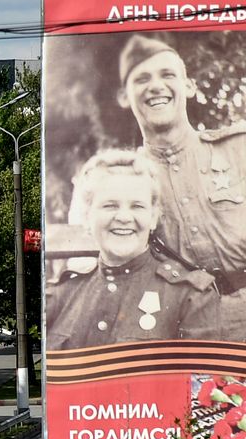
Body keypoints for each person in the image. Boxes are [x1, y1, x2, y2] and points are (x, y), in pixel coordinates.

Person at [116, 33, 246, 350]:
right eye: (141, 79)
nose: (155, 86)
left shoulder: (244, 149)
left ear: (189, 87)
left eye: (168, 74)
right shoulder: (126, 180)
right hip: (187, 347)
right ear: (125, 96)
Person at [48, 149, 219, 349]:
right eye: (110, 205)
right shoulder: (61, 294)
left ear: (153, 217)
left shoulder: (191, 296)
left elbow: (199, 379)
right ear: (87, 216)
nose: (124, 217)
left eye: (137, 206)